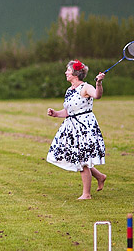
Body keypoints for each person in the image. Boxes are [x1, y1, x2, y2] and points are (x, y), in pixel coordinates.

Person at [45, 60, 107, 200]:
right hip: (72, 127)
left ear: (75, 73)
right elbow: (68, 112)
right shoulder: (69, 90)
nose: (66, 72)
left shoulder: (85, 87)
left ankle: (86, 194)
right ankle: (100, 176)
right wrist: (55, 113)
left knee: (82, 159)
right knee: (75, 156)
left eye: (68, 70)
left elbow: (97, 95)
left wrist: (99, 83)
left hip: (85, 127)